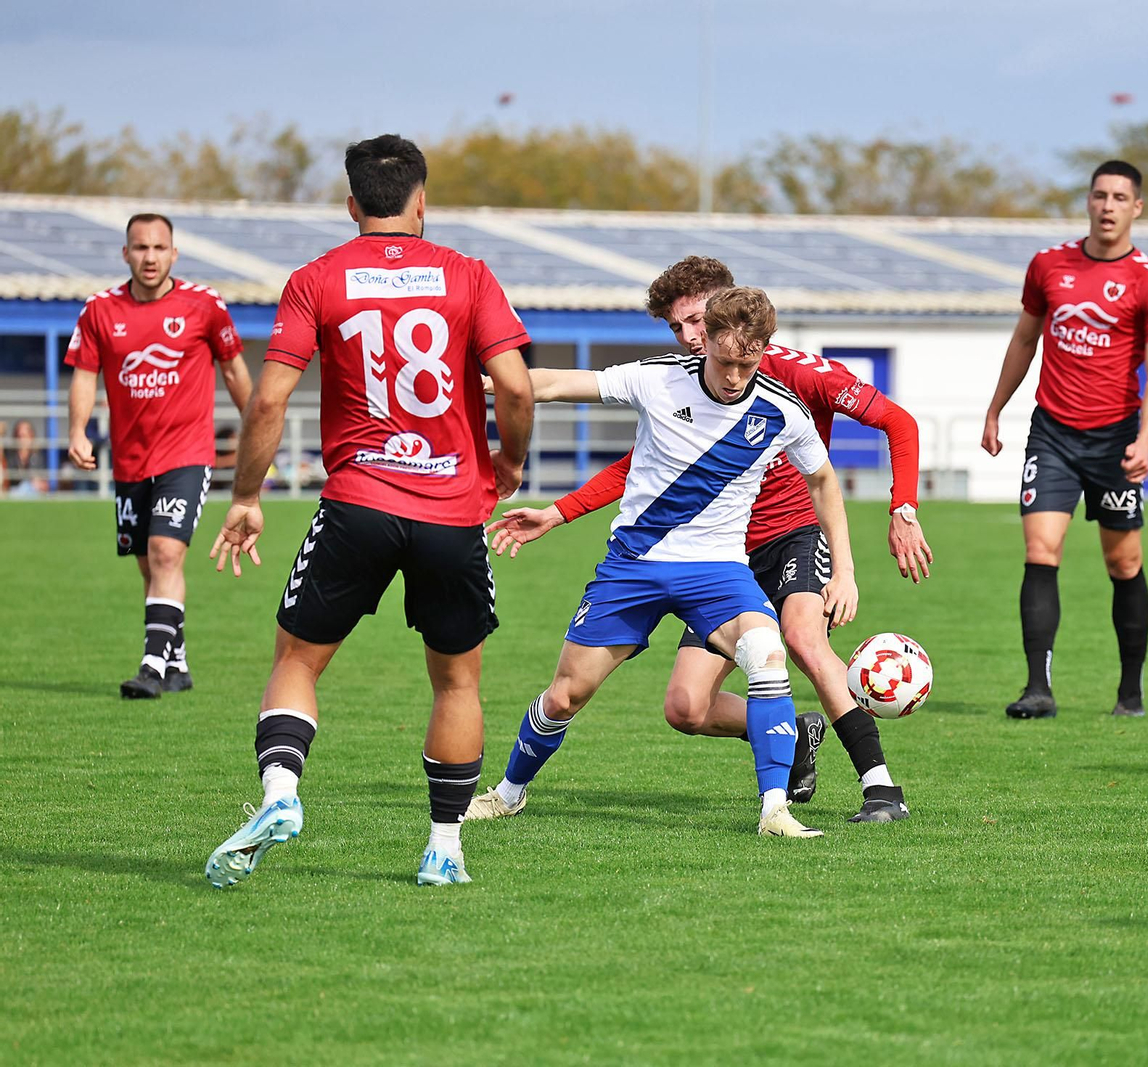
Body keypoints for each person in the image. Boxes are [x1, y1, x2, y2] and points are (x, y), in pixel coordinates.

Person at [473, 256, 930, 823]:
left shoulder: (793, 386)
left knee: (795, 642)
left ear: (726, 311)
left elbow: (869, 444)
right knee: (681, 707)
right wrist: (558, 504)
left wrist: (888, 524)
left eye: (694, 322)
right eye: (680, 329)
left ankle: (873, 789)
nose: (690, 339)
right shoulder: (667, 377)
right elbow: (649, 464)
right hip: (672, 555)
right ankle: (791, 738)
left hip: (774, 540)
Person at [204, 134, 535, 887]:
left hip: (357, 503)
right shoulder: (467, 275)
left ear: (352, 204)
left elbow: (269, 399)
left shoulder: (316, 279)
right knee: (456, 682)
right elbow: (514, 388)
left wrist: (247, 497)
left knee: (296, 659)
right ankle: (444, 847)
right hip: (453, 510)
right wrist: (508, 460)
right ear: (421, 201)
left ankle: (282, 792)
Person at [981, 160, 1148, 720]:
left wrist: (1147, 440)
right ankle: (1037, 688)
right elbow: (1024, 340)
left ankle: (1131, 692)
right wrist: (996, 409)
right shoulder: (1049, 265)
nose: (1109, 205)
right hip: (1052, 434)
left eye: (1120, 197)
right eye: (1100, 195)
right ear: (1088, 202)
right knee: (1041, 551)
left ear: (1137, 208)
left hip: (1116, 441)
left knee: (1124, 563)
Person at [64, 212, 254, 698]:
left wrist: (258, 428)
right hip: (130, 459)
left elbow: (233, 371)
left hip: (188, 453)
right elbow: (85, 373)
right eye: (140, 247)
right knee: (150, 567)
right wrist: (78, 430)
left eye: (158, 247)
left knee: (166, 552)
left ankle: (151, 669)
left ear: (174, 253)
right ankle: (178, 662)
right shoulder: (99, 310)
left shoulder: (204, 305)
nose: (150, 257)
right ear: (125, 253)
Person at [4, 420, 50, 495]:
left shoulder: (38, 457)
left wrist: (37, 484)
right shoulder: (9, 457)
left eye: (24, 436)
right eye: (18, 436)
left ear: (31, 437)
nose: (21, 440)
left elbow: (46, 485)